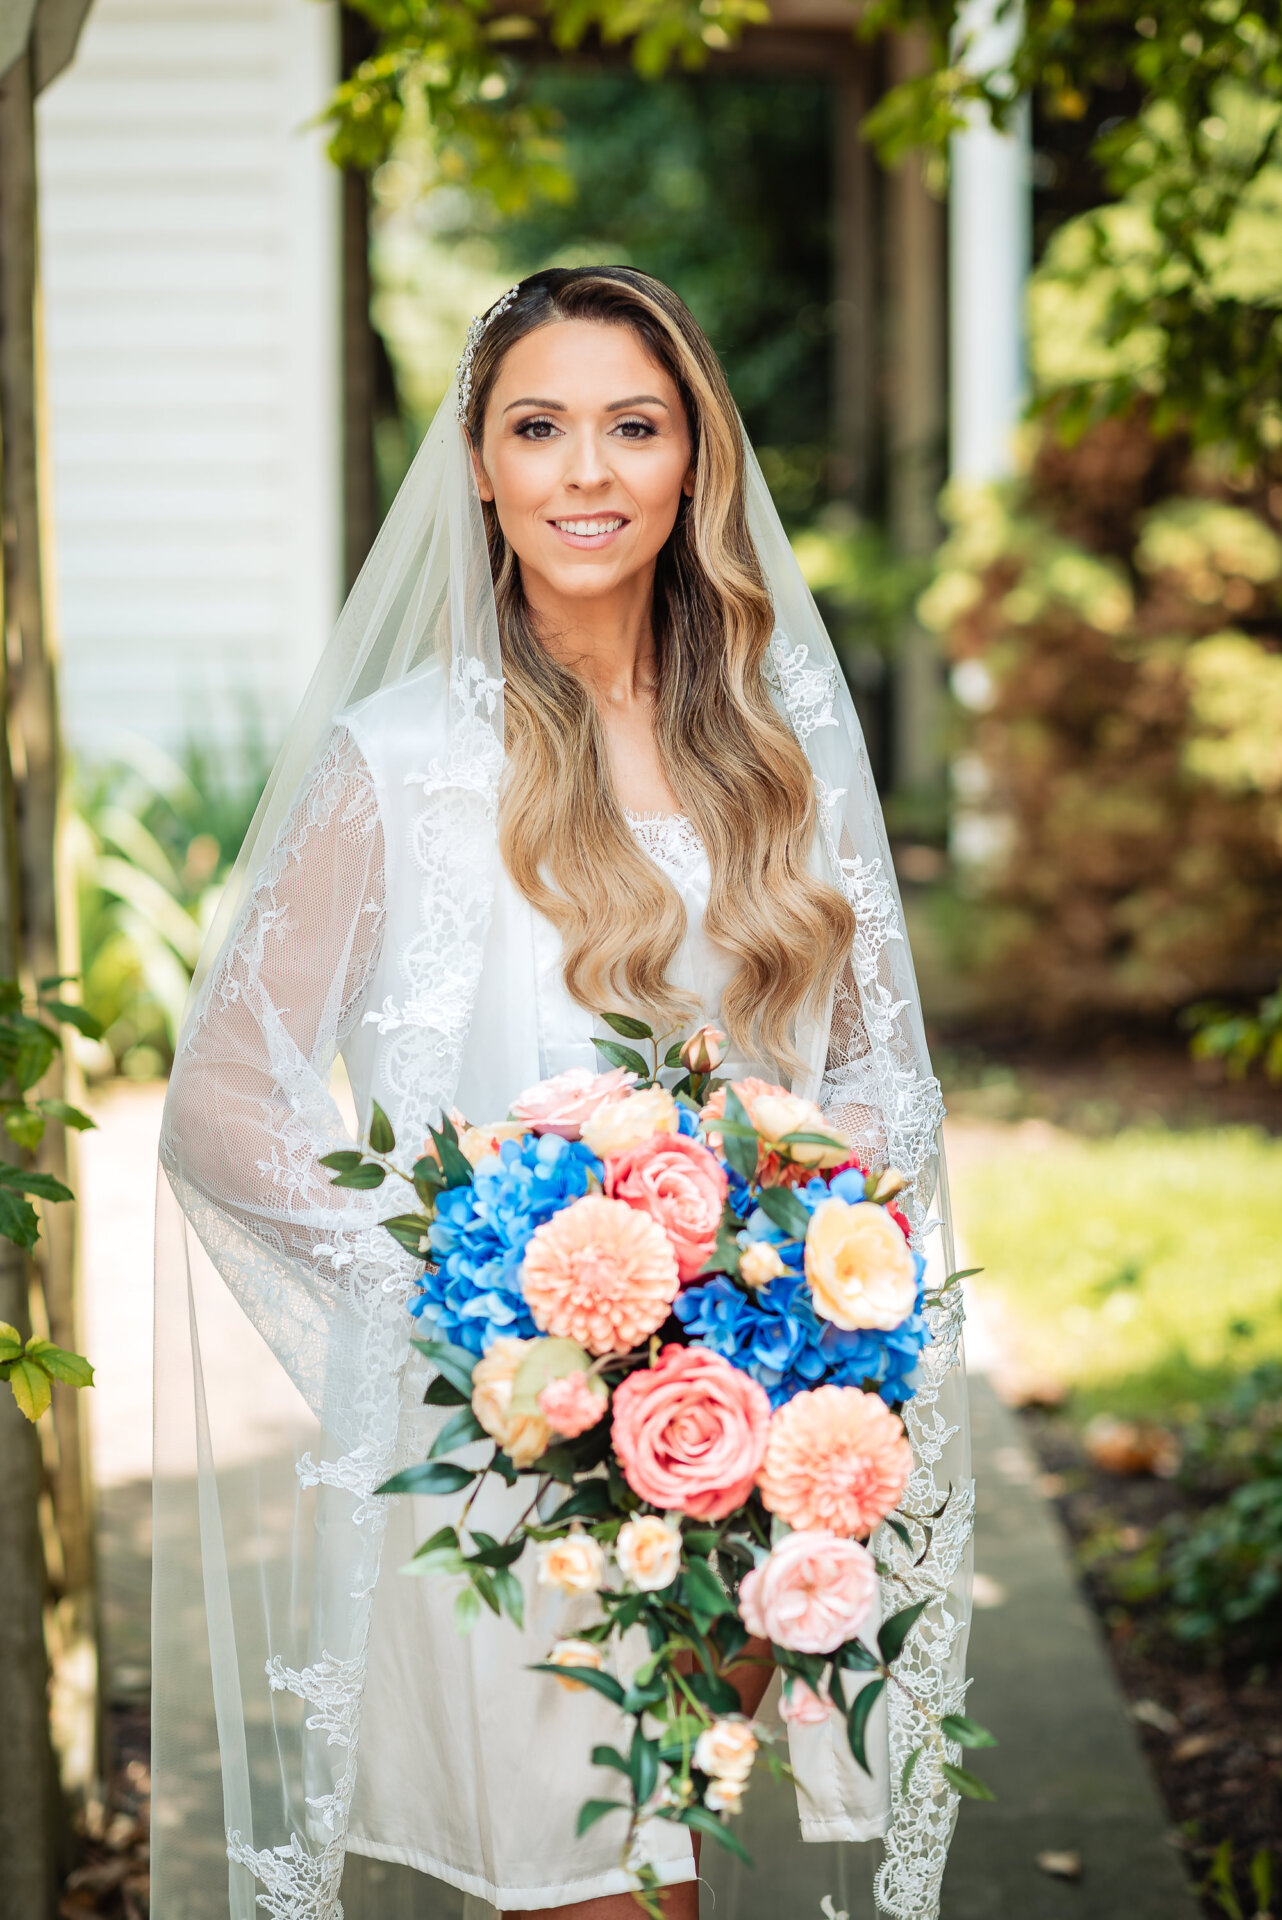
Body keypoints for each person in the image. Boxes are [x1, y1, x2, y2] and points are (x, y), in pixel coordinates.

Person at [154, 268, 970, 1920]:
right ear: (477, 464)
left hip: (742, 1429)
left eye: (632, 426)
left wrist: (816, 1281)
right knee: (584, 1887)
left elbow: (879, 1073)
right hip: (517, 1436)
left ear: (693, 463)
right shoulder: (401, 759)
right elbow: (226, 1096)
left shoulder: (778, 744)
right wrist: (467, 1291)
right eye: (539, 428)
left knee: (664, 1868)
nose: (585, 472)